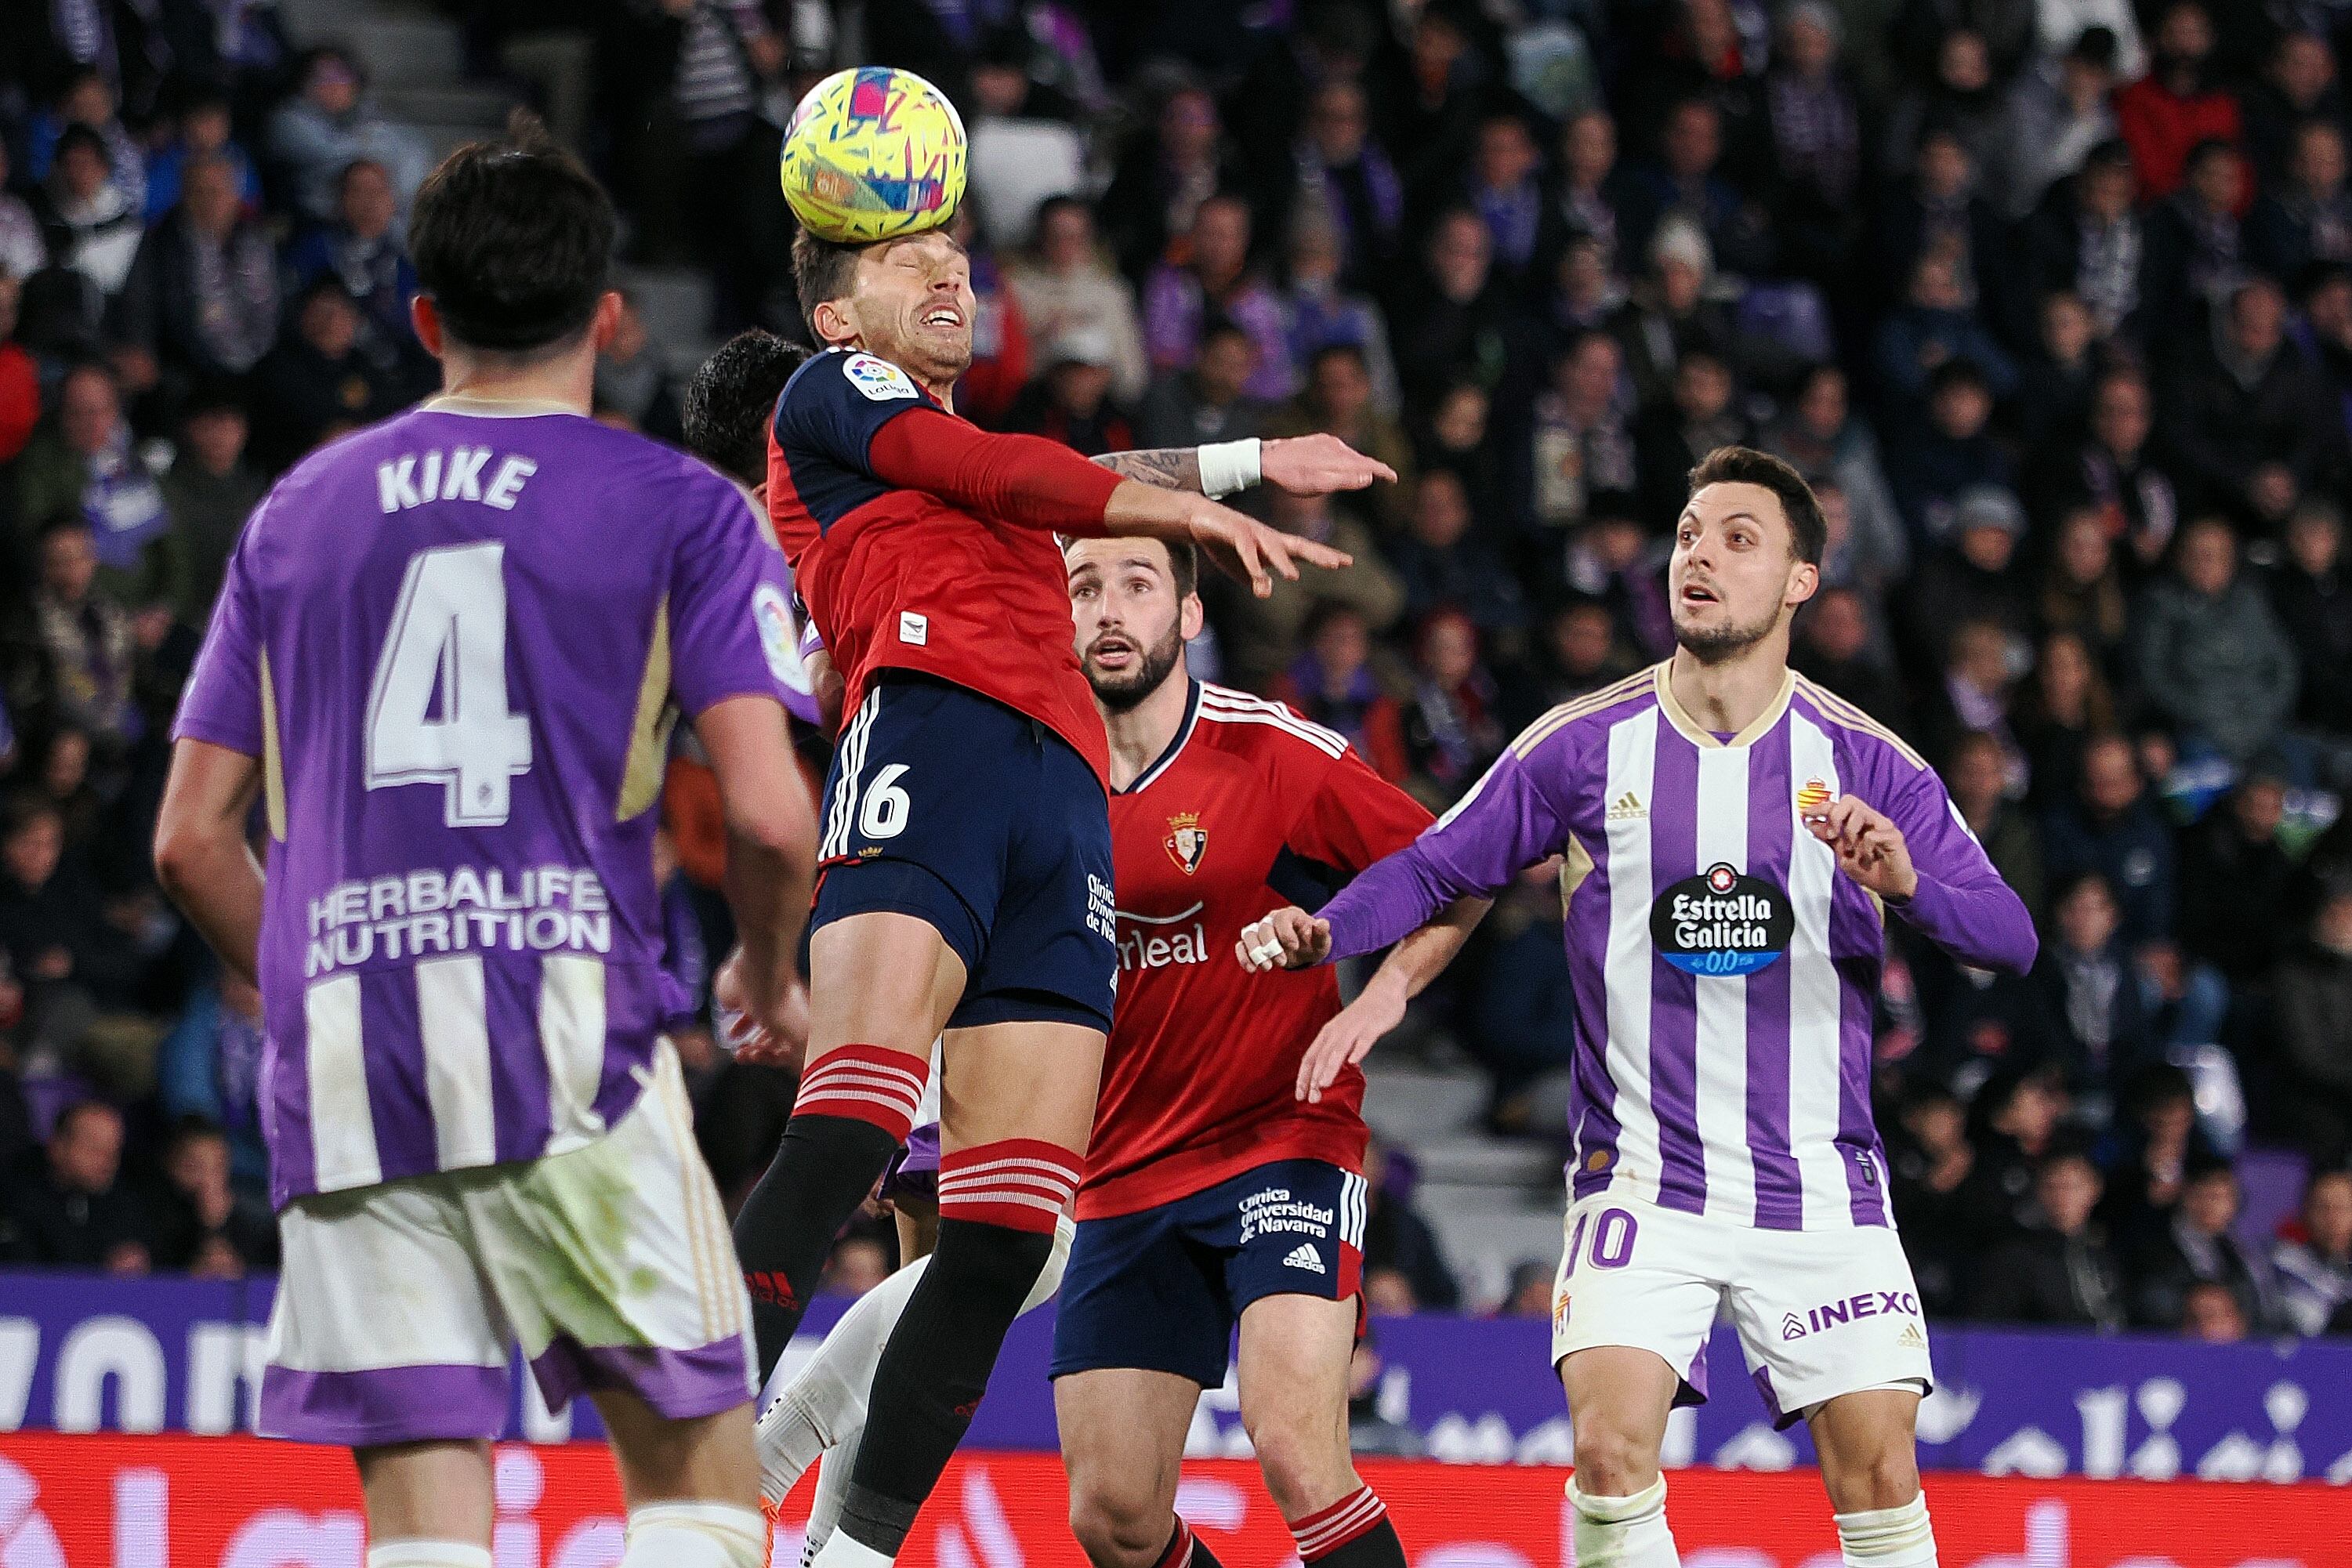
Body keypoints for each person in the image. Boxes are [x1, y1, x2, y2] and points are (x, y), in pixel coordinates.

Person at [151, 132, 821, 1568]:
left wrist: (319, 987)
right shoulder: (681, 509)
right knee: (700, 1482)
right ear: (611, 317)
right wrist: (770, 975)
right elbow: (771, 815)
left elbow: (191, 843)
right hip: (566, 1038)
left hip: (352, 1062)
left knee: (424, 1517)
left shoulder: (295, 515)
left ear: (423, 320)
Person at [1242, 446, 2035, 1568]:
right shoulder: (1582, 744)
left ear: (1801, 581)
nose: (1698, 555)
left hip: (1816, 1180)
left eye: (1737, 538)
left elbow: (2010, 938)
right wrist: (1332, 932)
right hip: (1642, 1178)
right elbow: (1434, 866)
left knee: (1878, 1474)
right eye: (1688, 535)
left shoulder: (1865, 761)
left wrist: (1908, 885)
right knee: (1610, 1453)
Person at [732, 216, 1379, 1568]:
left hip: (1061, 801)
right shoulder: (832, 392)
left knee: (1009, 1237)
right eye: (908, 261)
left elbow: (1058, 474)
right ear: (839, 316)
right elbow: (1008, 469)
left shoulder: (968, 467)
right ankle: (709, 1478)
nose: (950, 274)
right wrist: (1185, 513)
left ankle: (849, 1555)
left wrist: (1249, 460)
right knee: (848, 1131)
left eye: (957, 258)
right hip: (934, 745)